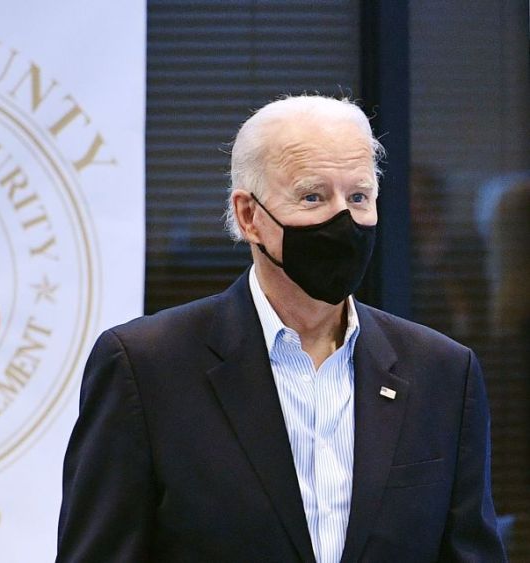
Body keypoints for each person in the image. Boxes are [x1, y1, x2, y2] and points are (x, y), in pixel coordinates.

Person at [56, 95, 507, 562]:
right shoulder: (146, 368)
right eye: (312, 196)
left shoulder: (442, 373)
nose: (343, 220)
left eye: (358, 197)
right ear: (250, 216)